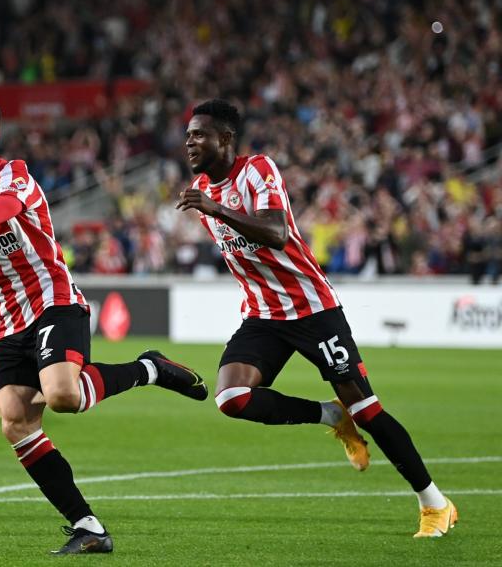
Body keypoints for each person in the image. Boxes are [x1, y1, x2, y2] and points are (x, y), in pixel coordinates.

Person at [0, 92, 207, 555]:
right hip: (7, 321)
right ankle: (88, 526)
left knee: (61, 396)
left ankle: (149, 369)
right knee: (14, 419)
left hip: (53, 303)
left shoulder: (15, 178)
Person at [176, 99, 457, 538]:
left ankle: (435, 504)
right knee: (231, 397)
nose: (189, 141)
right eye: (188, 134)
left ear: (225, 139)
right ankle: (330, 415)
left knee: (368, 408)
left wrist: (216, 210)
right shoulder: (200, 187)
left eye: (199, 134)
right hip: (263, 315)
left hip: (312, 309)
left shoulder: (257, 171)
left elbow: (276, 232)